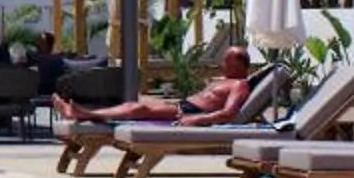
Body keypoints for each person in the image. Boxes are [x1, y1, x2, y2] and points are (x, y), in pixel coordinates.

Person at [53, 45, 261, 126]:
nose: (222, 63)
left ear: (239, 63)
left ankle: (86, 114)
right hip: (183, 106)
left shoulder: (240, 85)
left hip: (188, 112)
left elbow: (229, 113)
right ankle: (86, 112)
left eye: (227, 59)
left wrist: (197, 119)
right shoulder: (227, 81)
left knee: (138, 108)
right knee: (136, 104)